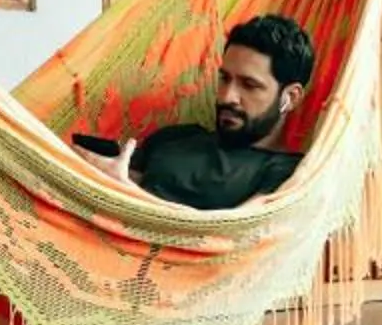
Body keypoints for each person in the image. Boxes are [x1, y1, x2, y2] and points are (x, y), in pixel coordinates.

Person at [78, 13, 316, 208]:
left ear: (290, 97)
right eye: (224, 79)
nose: (226, 96)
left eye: (249, 85)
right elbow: (125, 173)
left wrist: (124, 191)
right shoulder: (177, 137)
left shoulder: (287, 174)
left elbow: (234, 235)